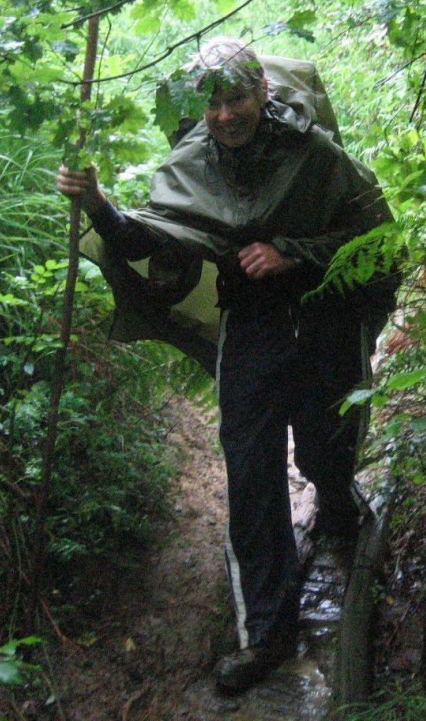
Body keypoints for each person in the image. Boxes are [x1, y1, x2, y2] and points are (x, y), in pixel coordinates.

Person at [56, 36, 398, 694]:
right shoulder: (192, 161)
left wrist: (293, 252)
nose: (224, 115)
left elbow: (378, 239)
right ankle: (266, 632)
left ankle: (335, 498)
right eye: (211, 104)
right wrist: (98, 205)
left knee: (326, 447)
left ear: (262, 92)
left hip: (326, 315)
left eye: (236, 98)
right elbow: (148, 238)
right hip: (253, 327)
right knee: (250, 470)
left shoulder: (316, 157)